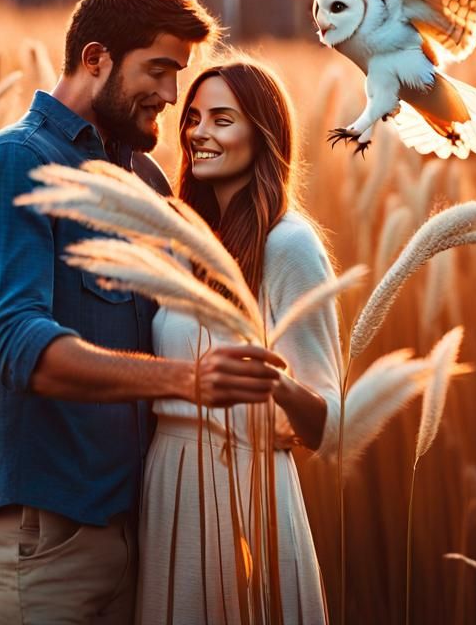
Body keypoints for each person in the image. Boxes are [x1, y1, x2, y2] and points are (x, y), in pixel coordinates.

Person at [0, 0, 285, 625]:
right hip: (43, 542)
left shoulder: (145, 177)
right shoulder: (17, 164)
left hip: (137, 531)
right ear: (95, 58)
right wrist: (186, 381)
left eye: (179, 74)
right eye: (158, 69)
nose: (171, 94)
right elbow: (18, 345)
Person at [137, 59, 343, 624]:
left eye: (222, 119)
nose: (199, 132)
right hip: (169, 482)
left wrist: (278, 385)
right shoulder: (183, 241)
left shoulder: (290, 245)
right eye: (195, 117)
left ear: (263, 133)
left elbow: (332, 423)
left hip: (247, 490)